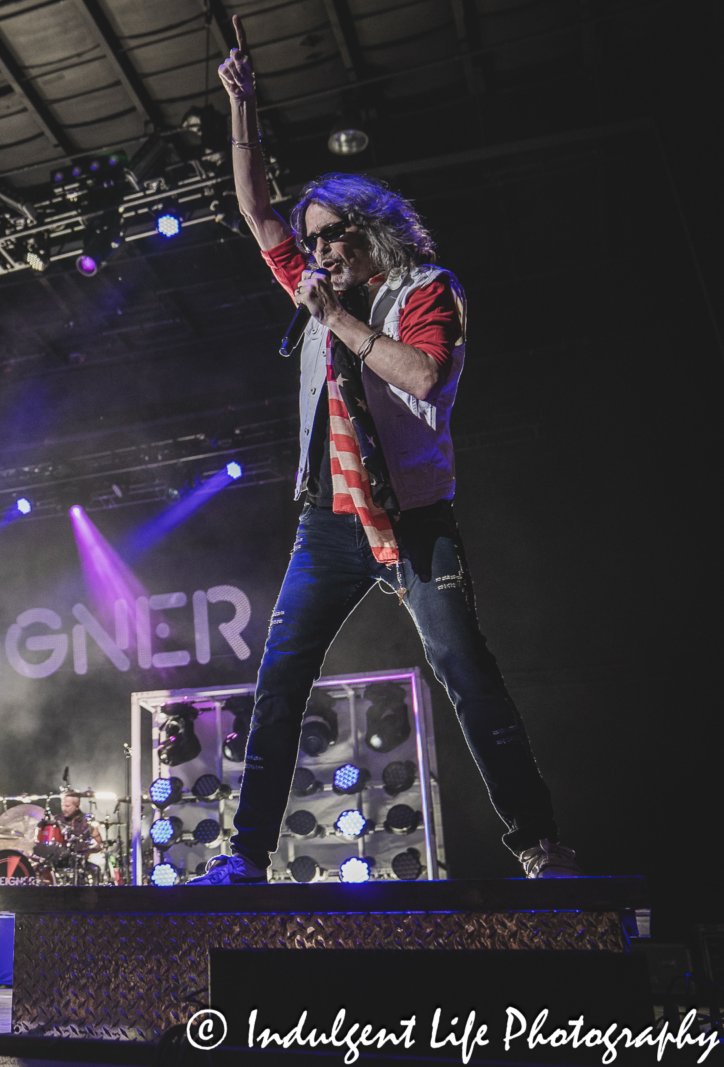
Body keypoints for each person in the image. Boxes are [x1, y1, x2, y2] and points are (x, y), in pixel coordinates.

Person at [192, 16, 577, 886]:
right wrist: (242, 105)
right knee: (279, 682)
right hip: (327, 520)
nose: (321, 250)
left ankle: (541, 843)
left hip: (413, 518)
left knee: (466, 672)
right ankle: (244, 855)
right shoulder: (317, 287)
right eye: (315, 238)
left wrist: (339, 320)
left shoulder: (423, 291)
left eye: (336, 235)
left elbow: (427, 377)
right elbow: (256, 209)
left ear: (374, 230)